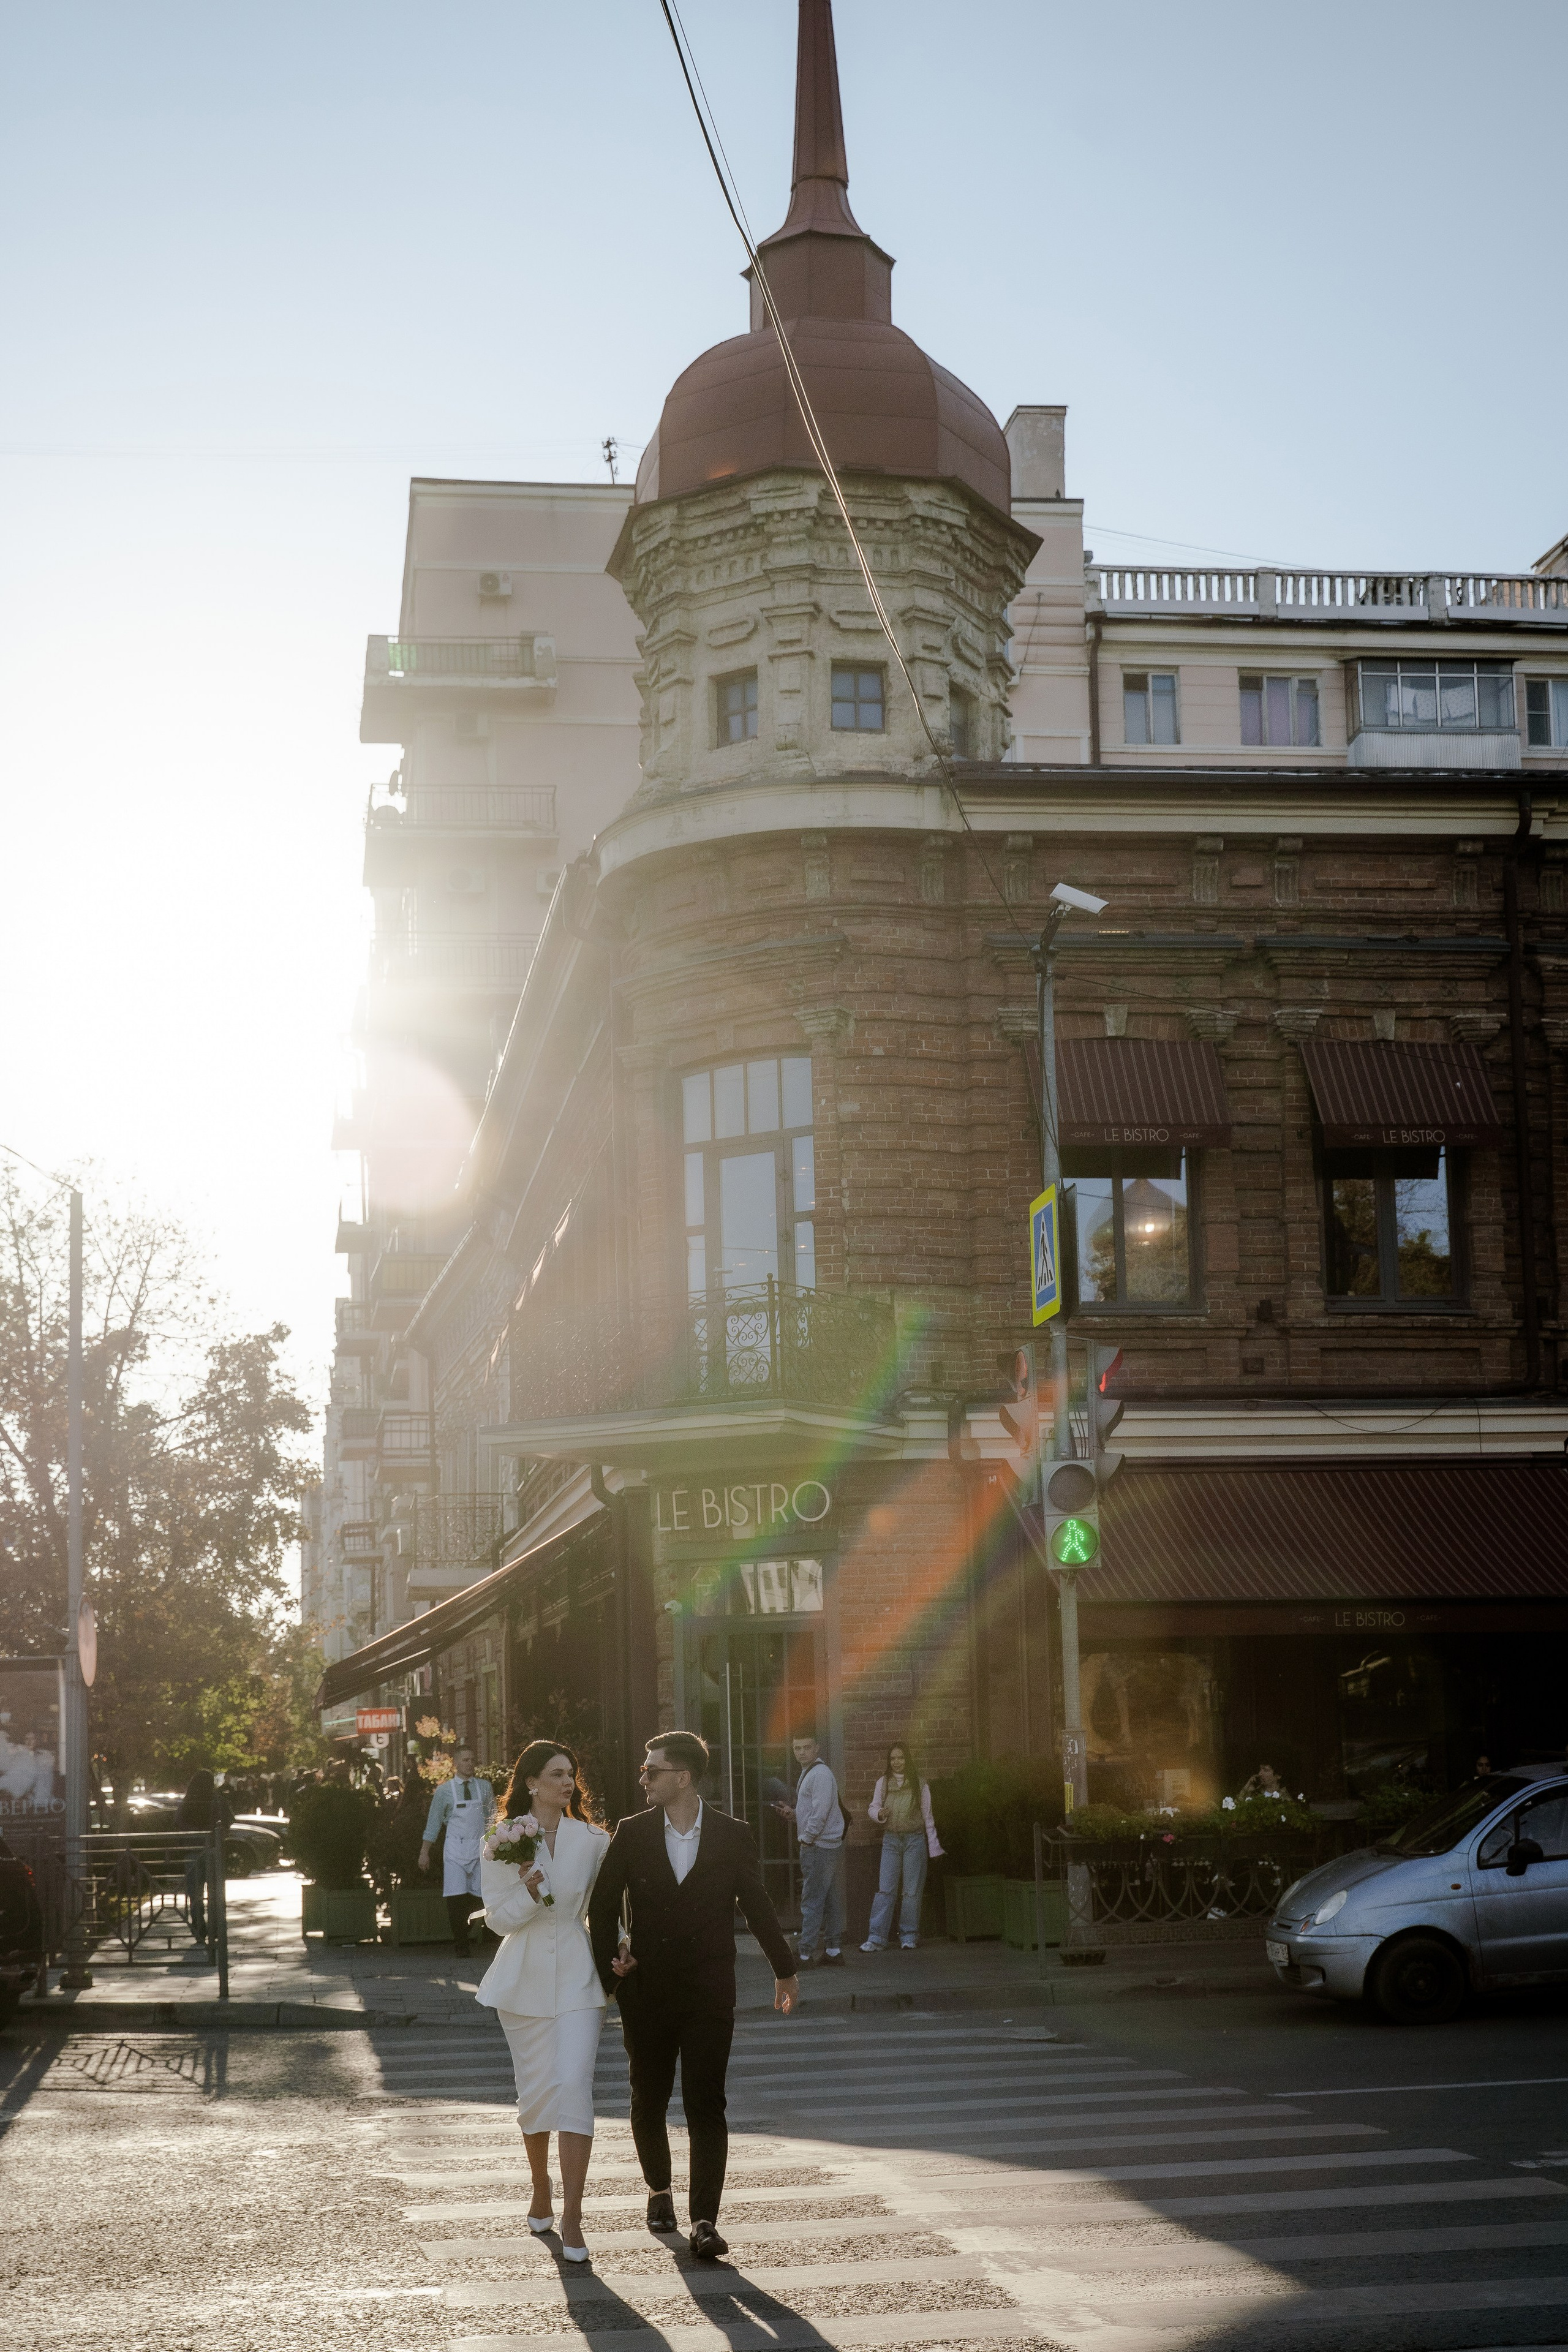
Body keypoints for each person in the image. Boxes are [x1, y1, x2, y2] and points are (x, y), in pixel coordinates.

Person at [589, 1732, 797, 2262]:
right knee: (649, 2097)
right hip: (647, 1990)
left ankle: (705, 2221)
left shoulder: (732, 1834)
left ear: (682, 1778)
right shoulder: (633, 1832)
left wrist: (784, 1969)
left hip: (709, 1990)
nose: (643, 1777)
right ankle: (659, 2190)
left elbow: (756, 1903)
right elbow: (603, 1904)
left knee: (706, 2101)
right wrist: (611, 1968)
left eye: (652, 1770)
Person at [477, 1740, 609, 2265]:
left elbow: (608, 1909)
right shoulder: (500, 1841)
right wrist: (529, 1893)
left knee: (574, 2086)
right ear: (531, 1782)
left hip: (578, 1977)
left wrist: (623, 1944)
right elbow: (497, 1919)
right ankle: (540, 2185)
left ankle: (573, 2214)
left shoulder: (594, 1840)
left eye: (571, 1774)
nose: (567, 1782)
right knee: (535, 2095)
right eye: (556, 1774)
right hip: (523, 1979)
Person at [860, 1741, 943, 1953]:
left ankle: (909, 1936)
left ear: (908, 1760)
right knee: (885, 1889)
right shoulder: (883, 1783)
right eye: (893, 1758)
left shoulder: (920, 1784)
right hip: (891, 1841)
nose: (897, 1762)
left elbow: (928, 1817)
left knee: (911, 1891)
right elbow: (873, 1807)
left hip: (915, 1840)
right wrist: (879, 1814)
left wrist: (934, 1847)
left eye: (901, 1758)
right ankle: (876, 1938)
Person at [777, 1729, 845, 1967]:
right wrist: (795, 1814)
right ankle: (834, 1951)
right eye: (797, 1748)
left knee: (812, 1900)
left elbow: (821, 1812)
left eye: (807, 1747)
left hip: (818, 1846)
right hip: (825, 1844)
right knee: (830, 1899)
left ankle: (805, 1954)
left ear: (817, 1748)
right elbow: (814, 1810)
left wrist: (807, 1838)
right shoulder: (812, 1772)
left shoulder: (820, 1774)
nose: (802, 1752)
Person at [418, 1746, 494, 1957]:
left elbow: (492, 1819)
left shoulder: (485, 1787)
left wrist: (496, 1845)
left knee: (480, 1895)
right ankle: (461, 1943)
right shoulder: (444, 1791)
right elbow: (433, 1823)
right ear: (456, 1763)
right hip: (455, 1850)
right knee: (455, 1897)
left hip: (480, 1849)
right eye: (465, 1760)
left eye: (472, 1760)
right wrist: (424, 1852)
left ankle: (468, 1930)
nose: (470, 1764)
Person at [176, 1770, 235, 1950]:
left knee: (195, 1894)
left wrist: (193, 1835)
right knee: (216, 1893)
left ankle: (199, 1930)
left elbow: (178, 1822)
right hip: (213, 1851)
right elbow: (229, 1819)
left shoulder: (188, 1801)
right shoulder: (217, 1799)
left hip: (192, 1852)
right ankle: (216, 1930)